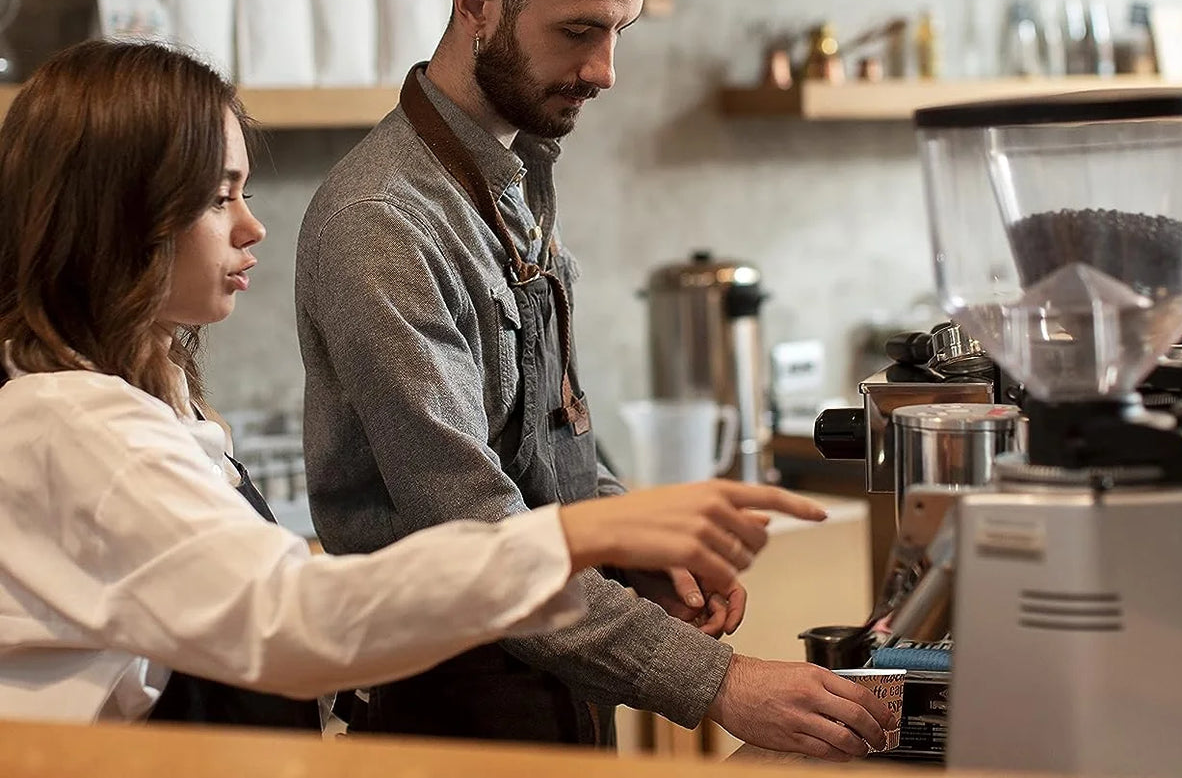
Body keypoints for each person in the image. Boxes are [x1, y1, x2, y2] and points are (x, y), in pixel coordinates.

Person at [0, 39, 829, 728]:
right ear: (122, 219)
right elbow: (293, 621)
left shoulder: (141, 401)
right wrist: (583, 534)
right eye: (220, 199)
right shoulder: (75, 426)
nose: (253, 226)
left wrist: (607, 541)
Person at [296, 0, 896, 761]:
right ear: (475, 1)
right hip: (446, 718)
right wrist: (720, 681)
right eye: (578, 31)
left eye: (619, 31)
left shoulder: (518, 177)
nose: (605, 70)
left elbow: (550, 447)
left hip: (559, 687)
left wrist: (631, 546)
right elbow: (477, 539)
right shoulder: (381, 222)